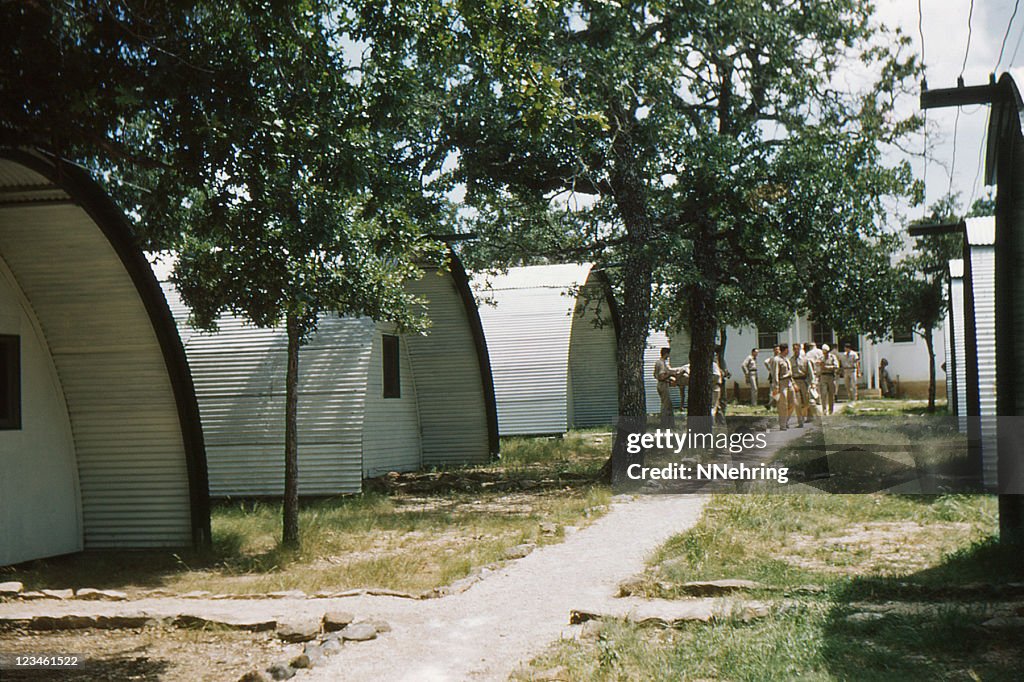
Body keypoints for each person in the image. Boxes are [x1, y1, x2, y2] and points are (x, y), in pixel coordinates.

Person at [653, 347, 682, 427]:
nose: (668, 356)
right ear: (666, 354)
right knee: (666, 405)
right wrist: (671, 373)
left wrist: (669, 380)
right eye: (668, 354)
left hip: (662, 384)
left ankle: (668, 423)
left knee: (667, 404)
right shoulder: (661, 363)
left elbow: (655, 375)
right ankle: (665, 424)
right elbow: (661, 376)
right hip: (663, 385)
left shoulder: (658, 362)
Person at [791, 343, 817, 427]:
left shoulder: (805, 359)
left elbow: (810, 372)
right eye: (794, 349)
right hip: (795, 382)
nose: (796, 350)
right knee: (797, 403)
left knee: (806, 401)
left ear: (800, 349)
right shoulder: (790, 360)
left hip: (804, 381)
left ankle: (809, 415)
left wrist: (812, 382)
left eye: (797, 349)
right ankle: (800, 421)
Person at [772, 343, 797, 430]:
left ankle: (786, 420)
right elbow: (775, 374)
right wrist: (776, 386)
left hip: (789, 382)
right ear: (785, 349)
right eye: (787, 349)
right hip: (782, 383)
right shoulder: (777, 360)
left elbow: (790, 373)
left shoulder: (787, 359)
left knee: (793, 403)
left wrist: (794, 383)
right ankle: (782, 424)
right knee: (783, 405)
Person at [820, 343, 840, 414]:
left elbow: (836, 366)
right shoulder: (821, 358)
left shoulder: (832, 357)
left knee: (831, 394)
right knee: (823, 393)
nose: (825, 354)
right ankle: (824, 410)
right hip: (823, 376)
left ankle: (831, 410)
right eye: (823, 352)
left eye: (826, 352)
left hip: (831, 376)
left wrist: (827, 367)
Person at [764, 345, 780, 411]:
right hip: (773, 377)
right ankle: (770, 405)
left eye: (778, 349)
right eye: (776, 349)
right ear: (774, 350)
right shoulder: (772, 358)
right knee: (772, 392)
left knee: (778, 393)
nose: (777, 351)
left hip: (780, 377)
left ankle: (774, 405)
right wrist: (770, 369)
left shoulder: (781, 358)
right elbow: (765, 362)